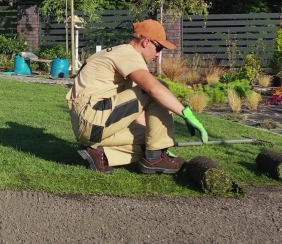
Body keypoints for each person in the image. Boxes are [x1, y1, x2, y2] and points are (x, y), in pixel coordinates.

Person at [66, 19, 208, 174]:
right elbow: (154, 89)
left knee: (149, 139)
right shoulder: (128, 54)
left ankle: (101, 154)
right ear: (146, 42)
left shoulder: (116, 53)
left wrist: (158, 144)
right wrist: (186, 114)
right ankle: (155, 160)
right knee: (158, 87)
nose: (158, 54)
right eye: (158, 47)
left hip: (90, 124)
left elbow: (136, 109)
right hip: (94, 119)